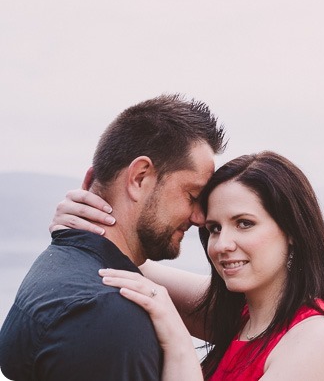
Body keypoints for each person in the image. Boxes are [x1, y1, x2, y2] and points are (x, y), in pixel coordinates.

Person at [55, 151, 324, 381]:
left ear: (293, 232)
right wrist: (80, 224)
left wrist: (178, 343)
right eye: (214, 228)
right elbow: (121, 263)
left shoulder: (321, 338)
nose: (221, 244)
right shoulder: (240, 315)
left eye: (244, 223)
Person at [0, 94, 225, 381]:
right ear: (140, 177)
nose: (199, 218)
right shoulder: (110, 315)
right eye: (192, 196)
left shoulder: (55, 268)